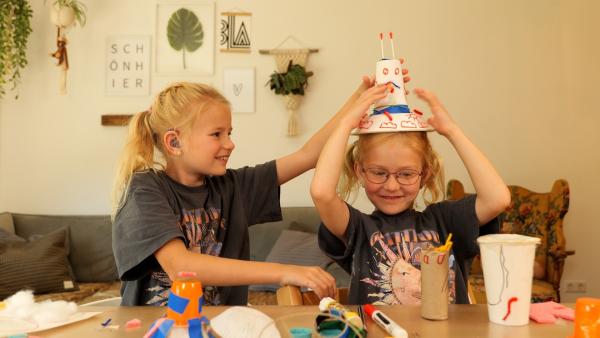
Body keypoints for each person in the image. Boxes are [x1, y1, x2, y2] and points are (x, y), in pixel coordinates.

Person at [110, 77, 400, 306]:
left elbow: (308, 154)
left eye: (230, 133)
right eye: (217, 134)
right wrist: (285, 270)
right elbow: (181, 267)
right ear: (174, 143)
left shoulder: (232, 187)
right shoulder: (145, 188)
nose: (230, 143)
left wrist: (358, 101)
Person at [310, 87, 511, 305]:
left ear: (424, 175)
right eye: (379, 173)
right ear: (360, 172)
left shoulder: (444, 220)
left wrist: (453, 131)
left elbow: (497, 198)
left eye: (406, 174)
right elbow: (322, 193)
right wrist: (345, 125)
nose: (392, 185)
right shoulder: (359, 228)